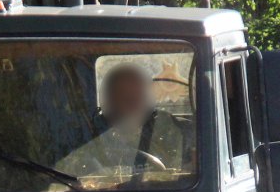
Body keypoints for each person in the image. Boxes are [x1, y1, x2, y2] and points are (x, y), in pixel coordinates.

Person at [55, 62, 191, 184]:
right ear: (108, 102)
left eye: (141, 96)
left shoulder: (173, 132)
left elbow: (191, 178)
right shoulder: (84, 138)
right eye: (125, 96)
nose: (134, 103)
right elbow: (61, 182)